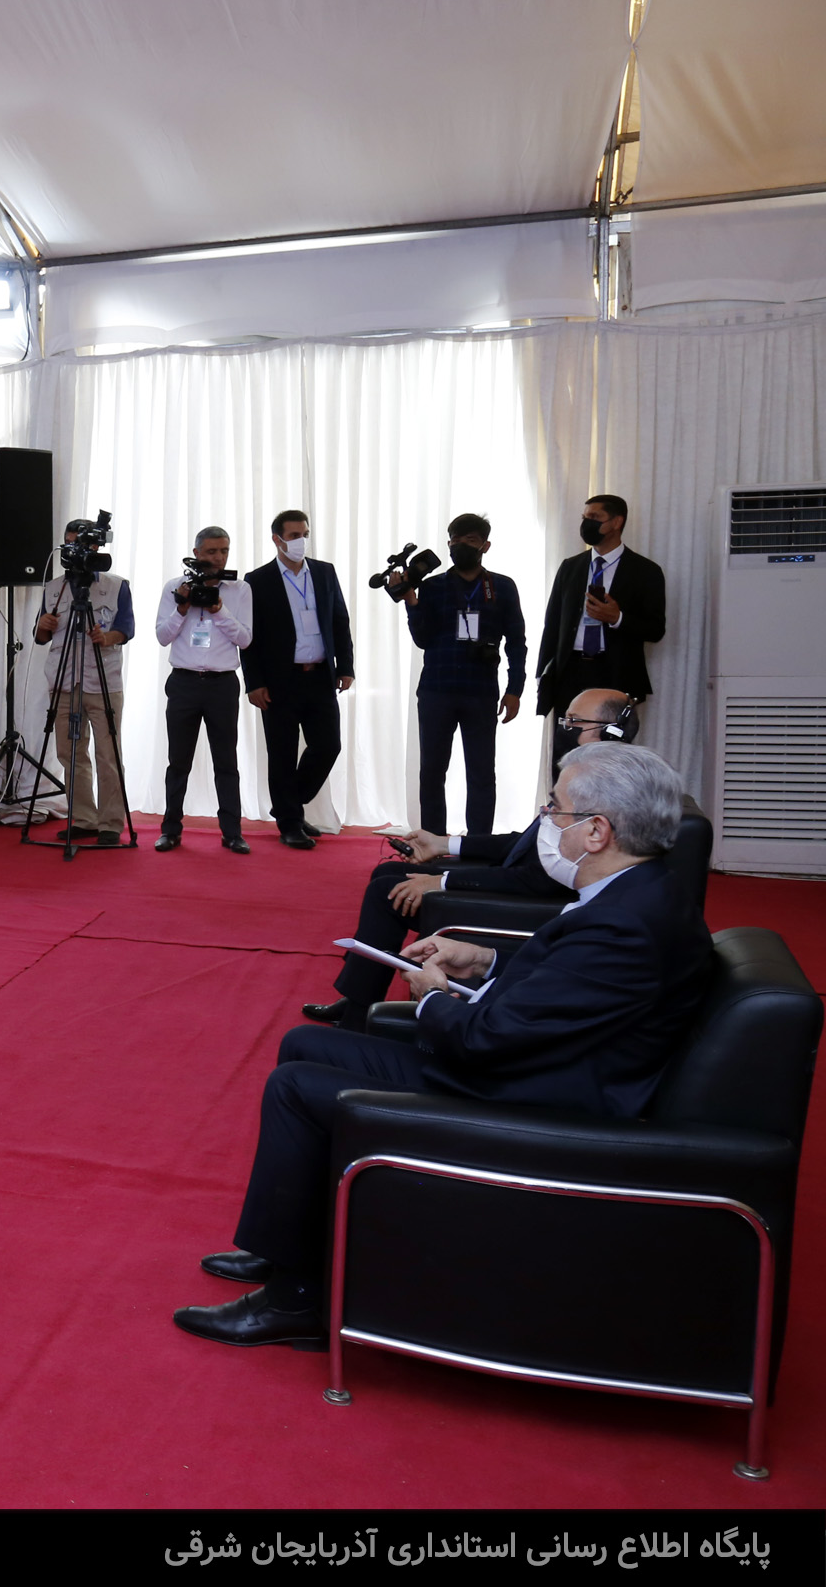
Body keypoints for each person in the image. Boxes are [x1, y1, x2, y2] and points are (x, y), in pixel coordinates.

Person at [175, 741, 712, 1349]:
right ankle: (287, 1247)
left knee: (295, 1086)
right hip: (536, 1066)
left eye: (555, 810)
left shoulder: (624, 922)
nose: (546, 820)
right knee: (306, 1045)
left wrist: (430, 996)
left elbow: (486, 1041)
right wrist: (483, 959)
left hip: (533, 1101)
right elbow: (567, 987)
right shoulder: (641, 894)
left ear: (596, 831)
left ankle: (295, 1300)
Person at [300, 687, 637, 1029]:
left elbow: (538, 879)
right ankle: (359, 999)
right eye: (565, 720)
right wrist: (445, 844)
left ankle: (358, 1014)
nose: (565, 728)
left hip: (528, 905)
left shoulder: (604, 790)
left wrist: (442, 881)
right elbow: (524, 843)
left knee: (385, 892)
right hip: (515, 885)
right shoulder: (587, 774)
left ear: (611, 731)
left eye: (575, 722)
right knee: (387, 874)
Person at [399, 513, 527, 837]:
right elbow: (422, 639)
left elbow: (516, 641)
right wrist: (411, 601)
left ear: (485, 546)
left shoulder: (502, 587)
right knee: (432, 771)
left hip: (480, 691)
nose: (461, 546)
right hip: (436, 689)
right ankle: (432, 841)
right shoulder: (433, 586)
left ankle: (478, 844)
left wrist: (515, 689)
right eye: (455, 540)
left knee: (482, 772)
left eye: (470, 540)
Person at [243, 510, 354, 849]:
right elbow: (250, 637)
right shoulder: (257, 580)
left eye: (304, 534)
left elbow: (340, 620)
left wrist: (346, 666)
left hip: (320, 676)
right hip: (280, 681)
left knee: (328, 745)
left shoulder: (324, 572)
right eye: (293, 536)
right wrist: (254, 683)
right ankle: (290, 823)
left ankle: (287, 804)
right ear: (277, 539)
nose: (300, 541)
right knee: (282, 752)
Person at [534, 494, 665, 766]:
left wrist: (617, 618)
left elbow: (655, 629)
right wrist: (543, 674)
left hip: (615, 672)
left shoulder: (646, 571)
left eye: (594, 518)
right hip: (570, 672)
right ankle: (565, 795)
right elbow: (552, 624)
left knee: (611, 753)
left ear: (616, 522)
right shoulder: (570, 567)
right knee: (565, 750)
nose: (586, 523)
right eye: (584, 518)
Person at [34, 522, 135, 845]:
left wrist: (107, 637)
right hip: (63, 681)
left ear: (96, 546)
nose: (74, 549)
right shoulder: (54, 587)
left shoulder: (116, 586)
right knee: (70, 753)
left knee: (108, 754)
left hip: (102, 680)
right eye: (69, 543)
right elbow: (40, 637)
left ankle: (110, 823)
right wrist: (43, 624)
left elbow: (126, 629)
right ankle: (84, 818)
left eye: (81, 543)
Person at [153, 527, 253, 854]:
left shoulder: (240, 589)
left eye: (224, 551)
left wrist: (218, 609)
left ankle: (232, 832)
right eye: (211, 552)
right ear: (196, 553)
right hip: (183, 682)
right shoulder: (175, 587)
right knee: (178, 761)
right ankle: (170, 830)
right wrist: (182, 608)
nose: (219, 558)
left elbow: (245, 639)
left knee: (226, 762)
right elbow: (162, 636)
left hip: (222, 684)